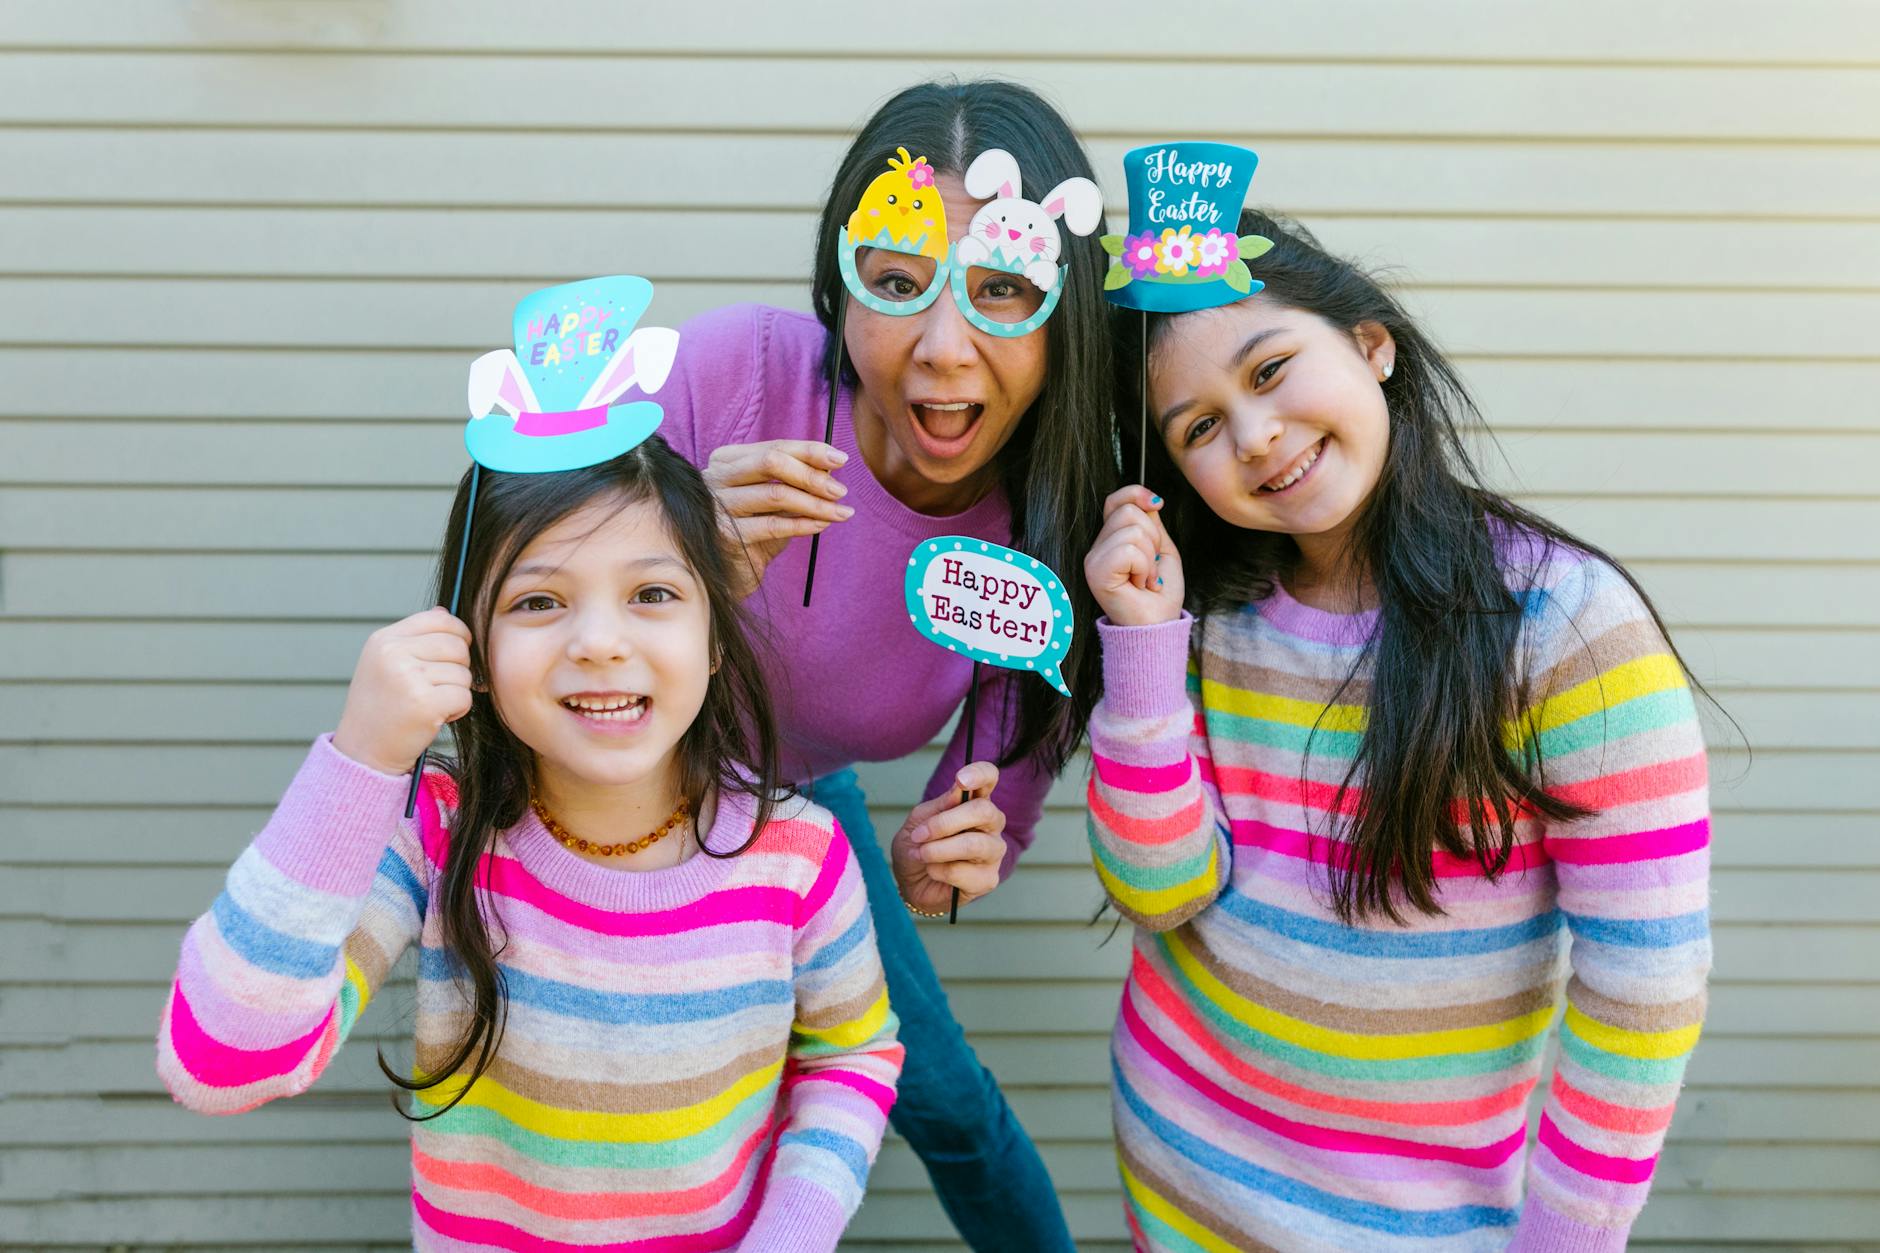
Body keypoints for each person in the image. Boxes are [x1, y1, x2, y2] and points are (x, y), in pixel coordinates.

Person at [1082, 210, 1712, 1250]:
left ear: (1370, 346)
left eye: (1271, 367)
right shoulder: (1201, 615)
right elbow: (1158, 887)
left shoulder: (1565, 627)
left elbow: (1643, 992)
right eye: (1197, 426)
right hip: (1174, 1182)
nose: (1254, 434)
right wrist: (1143, 650)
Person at [156, 437, 905, 1251]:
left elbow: (853, 1057)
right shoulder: (435, 832)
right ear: (471, 649)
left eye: (652, 591)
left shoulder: (800, 853)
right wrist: (362, 758)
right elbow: (219, 1066)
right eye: (538, 601)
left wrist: (790, 1236)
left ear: (716, 637)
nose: (599, 642)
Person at [630, 79, 1115, 1251]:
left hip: (804, 813)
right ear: (840, 285)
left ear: (1064, 317)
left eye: (1002, 290)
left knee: (939, 1095)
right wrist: (674, 574)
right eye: (898, 283)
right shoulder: (731, 375)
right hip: (611, 799)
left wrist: (941, 852)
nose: (944, 348)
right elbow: (527, 610)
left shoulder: (1048, 524)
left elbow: (987, 797)